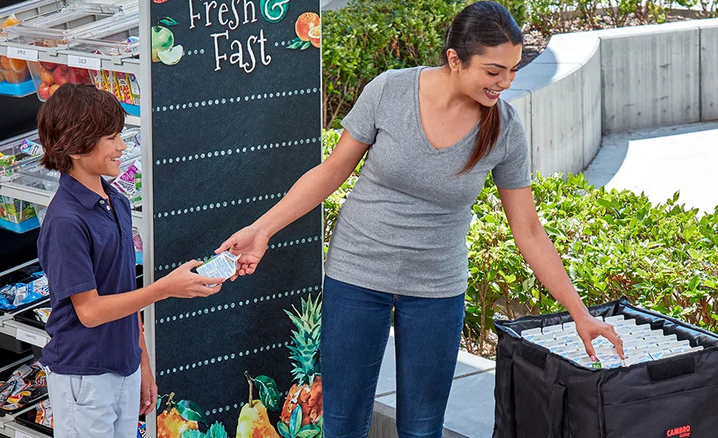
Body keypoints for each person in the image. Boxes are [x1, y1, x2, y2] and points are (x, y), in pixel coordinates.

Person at [216, 2, 625, 437]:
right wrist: (262, 230)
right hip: (357, 273)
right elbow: (331, 172)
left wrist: (580, 313)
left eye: (512, 70)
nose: (505, 83)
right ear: (455, 60)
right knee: (341, 423)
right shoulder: (390, 91)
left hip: (437, 288)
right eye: (493, 72)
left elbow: (528, 230)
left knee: (423, 428)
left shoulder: (505, 128)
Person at [36, 84, 225, 438]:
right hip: (84, 376)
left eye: (120, 135)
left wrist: (142, 361)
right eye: (111, 137)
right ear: (75, 146)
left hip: (123, 366)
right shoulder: (64, 222)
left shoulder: (116, 201)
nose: (122, 145)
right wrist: (165, 288)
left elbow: (123, 290)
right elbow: (89, 311)